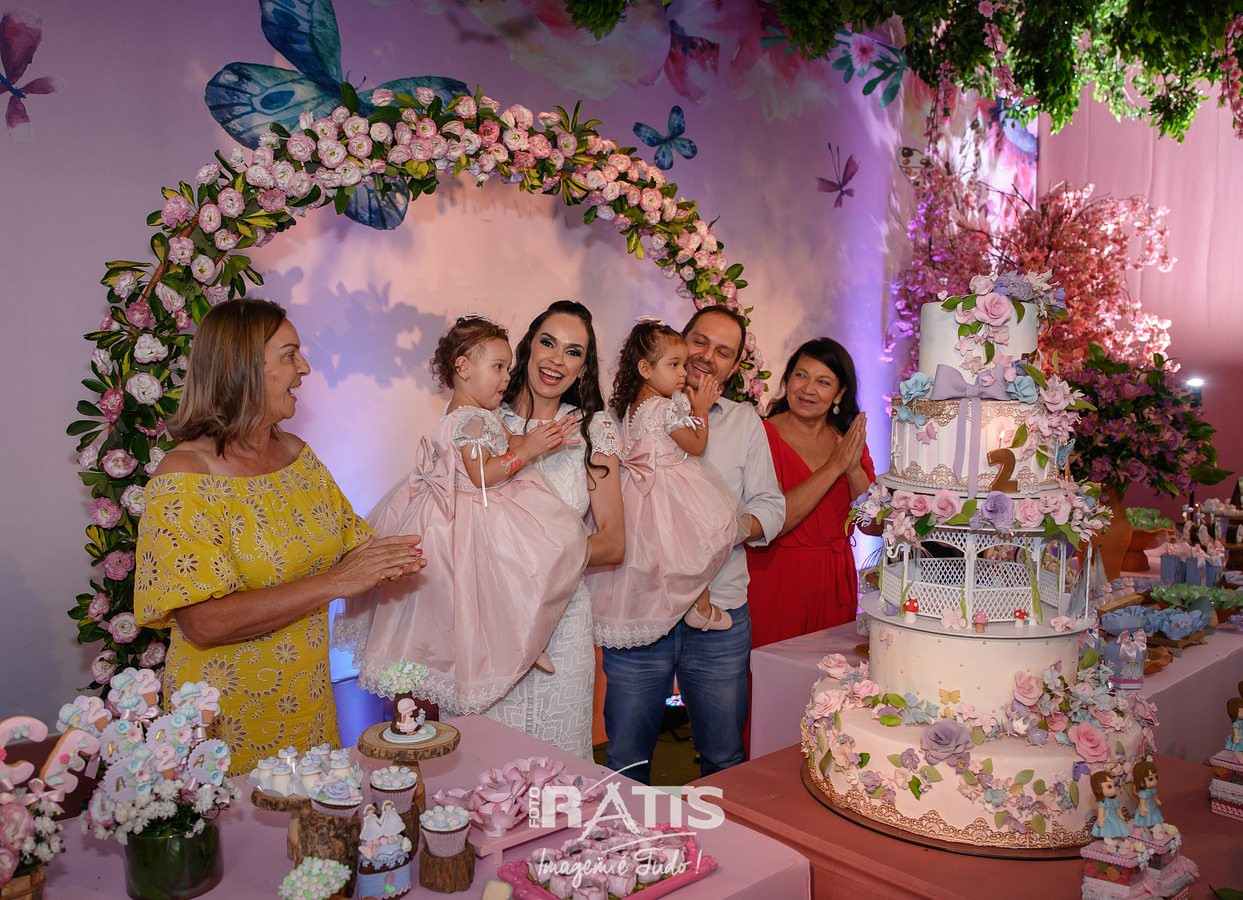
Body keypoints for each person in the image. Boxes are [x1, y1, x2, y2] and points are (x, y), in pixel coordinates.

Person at [135, 298, 424, 773]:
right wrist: (335, 583)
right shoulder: (183, 477)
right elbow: (203, 623)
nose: (304, 368)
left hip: (309, 705)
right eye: (290, 355)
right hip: (225, 720)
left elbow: (356, 547)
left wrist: (437, 537)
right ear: (242, 368)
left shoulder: (296, 455)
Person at [334, 316, 590, 716]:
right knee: (504, 577)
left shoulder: (478, 414)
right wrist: (529, 451)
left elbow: (506, 440)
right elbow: (482, 474)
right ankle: (516, 647)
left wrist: (538, 439)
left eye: (508, 368)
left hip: (472, 510)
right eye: (498, 367)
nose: (506, 377)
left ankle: (523, 641)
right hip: (466, 516)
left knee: (510, 578)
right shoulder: (468, 419)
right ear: (463, 367)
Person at [601, 306, 785, 783]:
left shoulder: (744, 421)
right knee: (626, 758)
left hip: (720, 611)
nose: (706, 356)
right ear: (680, 343)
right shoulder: (620, 413)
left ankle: (730, 832)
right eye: (699, 342)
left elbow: (771, 506)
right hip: (641, 610)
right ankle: (624, 831)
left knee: (724, 756)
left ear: (735, 366)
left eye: (723, 351)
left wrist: (717, 534)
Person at [488, 300, 625, 758]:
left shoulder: (593, 429)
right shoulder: (486, 421)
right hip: (491, 616)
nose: (556, 360)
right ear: (528, 347)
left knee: (559, 765)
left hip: (564, 623)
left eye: (573, 352)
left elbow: (613, 541)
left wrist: (544, 558)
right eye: (548, 343)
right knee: (486, 762)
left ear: (583, 369)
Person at [587, 319, 740, 645]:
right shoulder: (664, 408)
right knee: (702, 539)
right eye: (674, 365)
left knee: (653, 561)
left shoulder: (632, 407)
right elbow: (696, 446)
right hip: (667, 489)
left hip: (635, 494)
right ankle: (698, 605)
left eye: (683, 364)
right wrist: (701, 410)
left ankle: (677, 608)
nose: (683, 373)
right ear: (645, 369)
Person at [746, 338, 874, 646]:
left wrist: (853, 469)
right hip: (775, 577)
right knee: (772, 669)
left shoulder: (850, 443)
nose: (808, 389)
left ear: (839, 393)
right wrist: (834, 467)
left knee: (830, 672)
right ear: (787, 379)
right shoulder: (761, 435)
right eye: (801, 375)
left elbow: (874, 526)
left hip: (834, 580)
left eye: (823, 382)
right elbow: (773, 522)